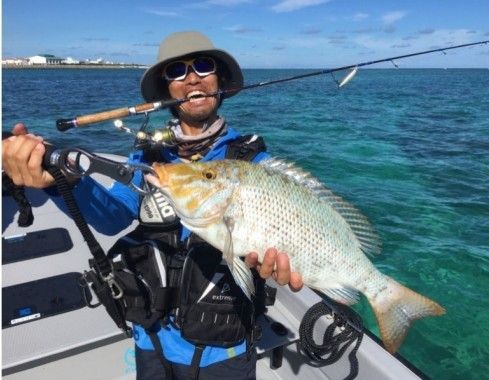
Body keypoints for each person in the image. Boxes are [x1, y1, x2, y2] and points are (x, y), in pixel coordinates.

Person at [2, 31, 303, 380]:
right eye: (177, 71)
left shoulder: (255, 165)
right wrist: (63, 181)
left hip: (225, 347)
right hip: (151, 339)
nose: (192, 77)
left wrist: (285, 265)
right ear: (166, 90)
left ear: (220, 80)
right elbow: (112, 216)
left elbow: (284, 233)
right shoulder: (148, 161)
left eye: (204, 66)